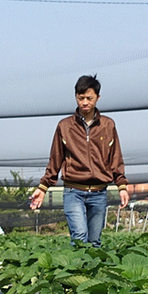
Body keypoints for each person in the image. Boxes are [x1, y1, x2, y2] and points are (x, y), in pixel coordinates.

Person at [28, 75, 129, 247]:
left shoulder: (108, 125)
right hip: (74, 192)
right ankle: (76, 272)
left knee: (94, 241)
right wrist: (43, 188)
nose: (84, 102)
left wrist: (122, 186)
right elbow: (55, 159)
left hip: (99, 193)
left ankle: (90, 274)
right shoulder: (65, 126)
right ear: (76, 97)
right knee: (79, 236)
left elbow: (116, 158)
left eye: (89, 98)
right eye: (80, 98)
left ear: (98, 97)